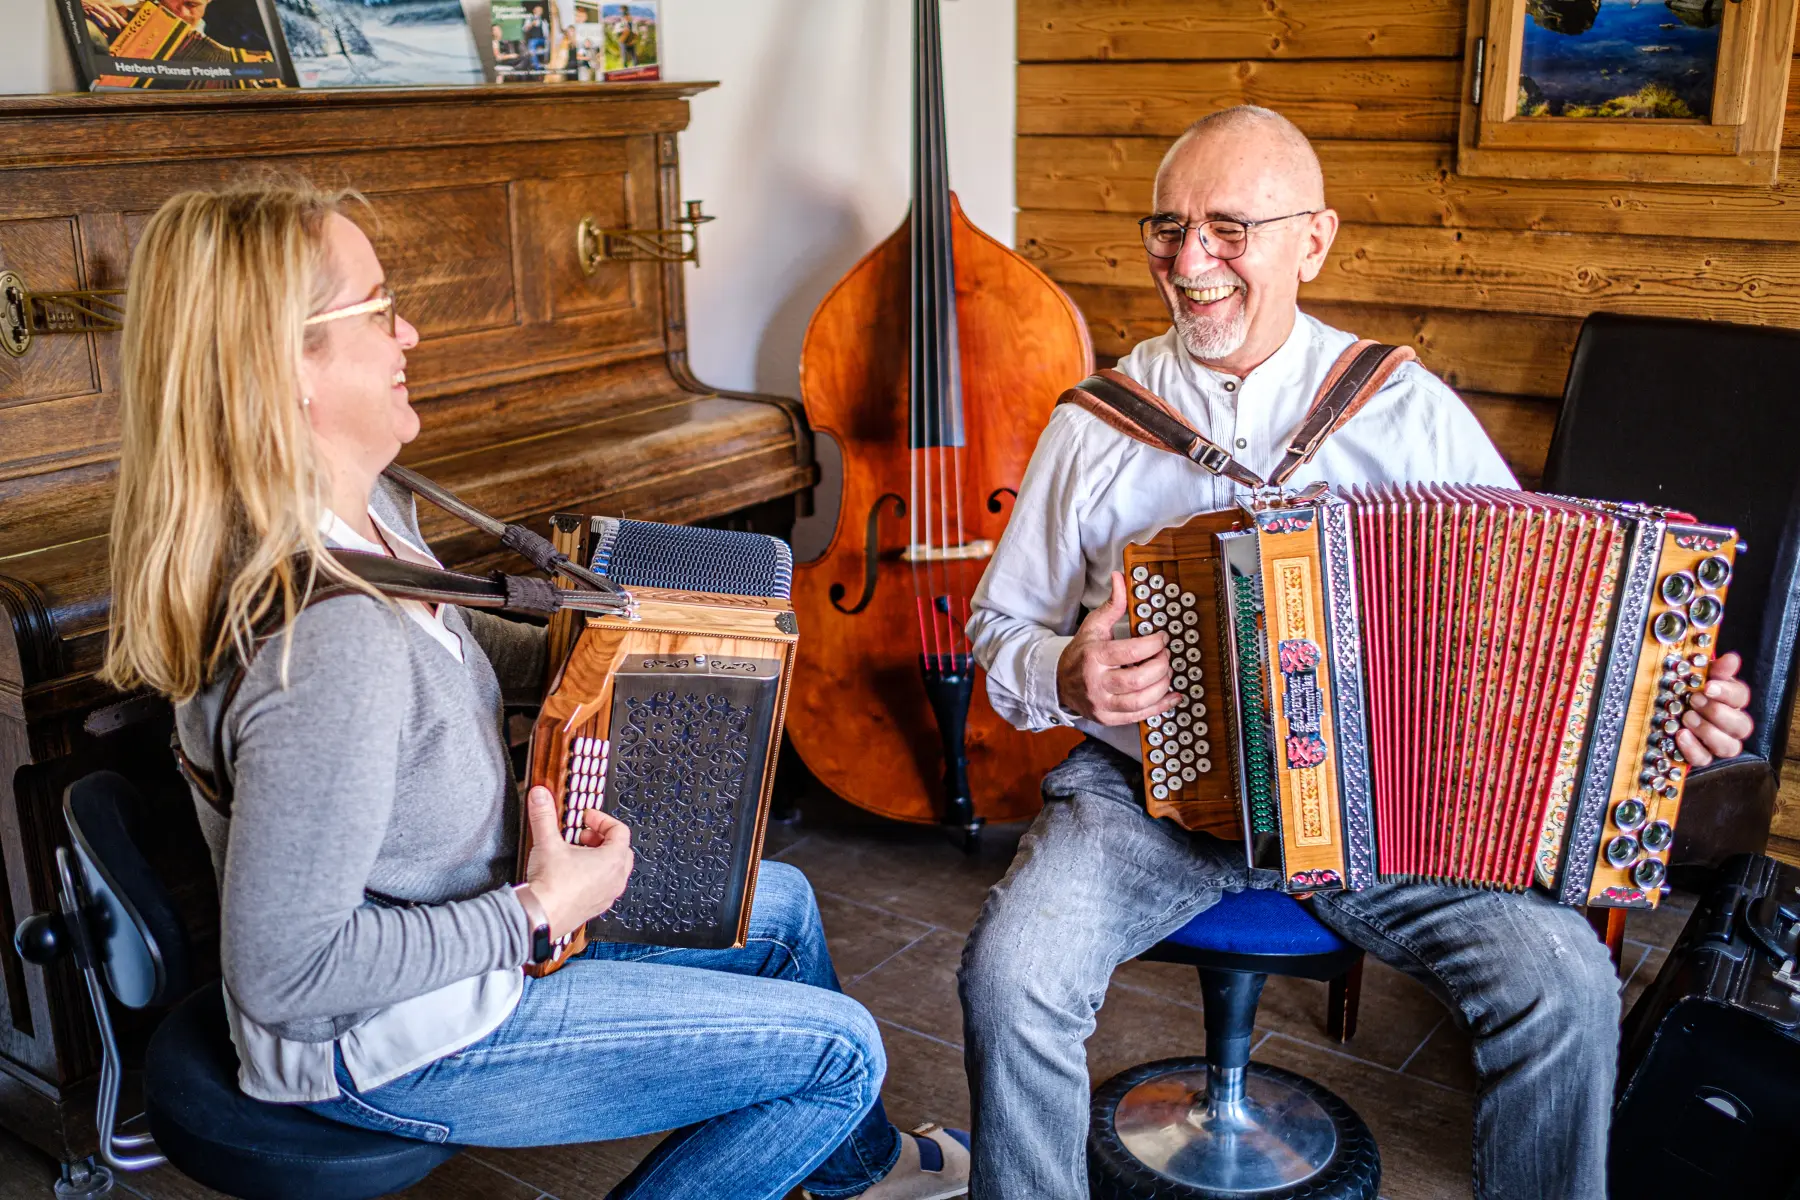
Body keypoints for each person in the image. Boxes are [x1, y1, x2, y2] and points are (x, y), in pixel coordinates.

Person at [102, 182, 969, 1200]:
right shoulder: (327, 650)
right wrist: (537, 909)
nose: (409, 333)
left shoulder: (359, 513)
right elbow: (287, 974)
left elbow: (444, 645)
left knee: (780, 908)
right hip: (395, 1034)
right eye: (379, 310)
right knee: (845, 1053)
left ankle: (854, 1176)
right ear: (285, 361)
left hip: (474, 919)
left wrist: (619, 650)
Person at [958, 105, 1756, 1200]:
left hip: (1384, 813)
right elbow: (1000, 627)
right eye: (1167, 228)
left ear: (1313, 241)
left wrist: (1664, 711)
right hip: (1142, 798)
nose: (1190, 263)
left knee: (1565, 980)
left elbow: (1542, 629)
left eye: (1230, 228)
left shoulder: (1406, 414)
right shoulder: (1098, 424)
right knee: (1011, 974)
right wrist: (1066, 672)